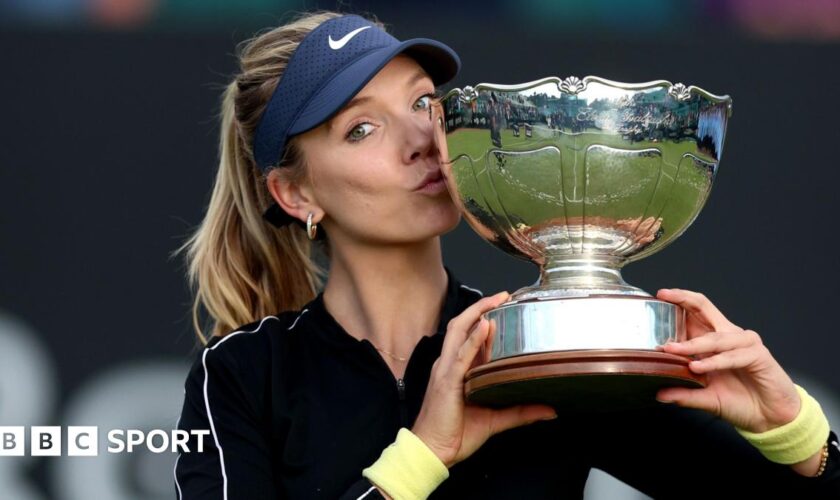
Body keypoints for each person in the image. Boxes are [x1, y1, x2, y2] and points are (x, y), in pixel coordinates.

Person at [174, 11, 839, 499]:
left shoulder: (540, 349)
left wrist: (794, 430)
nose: (421, 140)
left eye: (423, 102)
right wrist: (425, 455)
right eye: (362, 127)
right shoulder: (241, 376)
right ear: (295, 192)